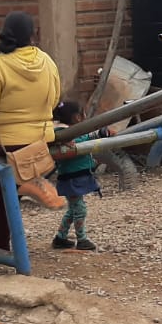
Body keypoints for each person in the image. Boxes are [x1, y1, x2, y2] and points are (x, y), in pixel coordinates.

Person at [0, 12, 62, 252]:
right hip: (38, 142)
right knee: (5, 194)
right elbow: (54, 99)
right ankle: (31, 184)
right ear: (33, 35)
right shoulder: (47, 62)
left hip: (3, 144)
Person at [50, 101, 108, 252]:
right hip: (71, 179)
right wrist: (99, 133)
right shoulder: (63, 133)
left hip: (75, 177)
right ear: (77, 117)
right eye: (83, 113)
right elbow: (81, 140)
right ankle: (82, 240)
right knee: (80, 210)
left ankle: (60, 238)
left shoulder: (66, 133)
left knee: (73, 209)